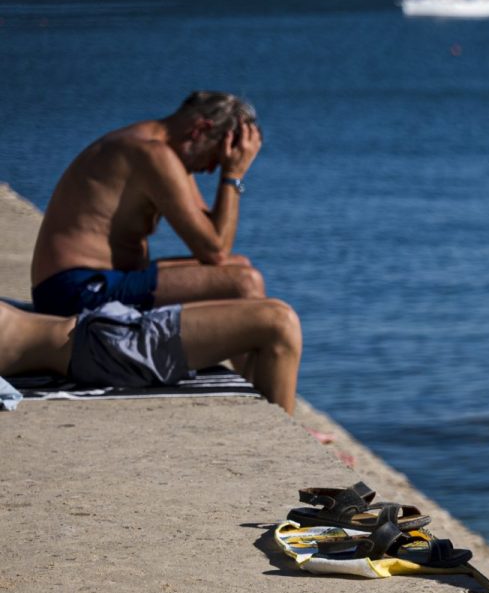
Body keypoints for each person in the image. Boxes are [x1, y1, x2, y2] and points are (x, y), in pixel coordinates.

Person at [31, 91, 268, 316]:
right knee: (245, 283)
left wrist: (233, 174)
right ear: (200, 130)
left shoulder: (165, 151)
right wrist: (233, 176)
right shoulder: (152, 155)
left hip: (98, 282)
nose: (209, 170)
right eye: (215, 159)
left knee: (240, 265)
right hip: (74, 290)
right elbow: (214, 251)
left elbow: (216, 243)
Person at [0, 296, 302, 413]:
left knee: (265, 308)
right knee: (278, 323)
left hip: (101, 334)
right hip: (105, 348)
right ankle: (297, 476)